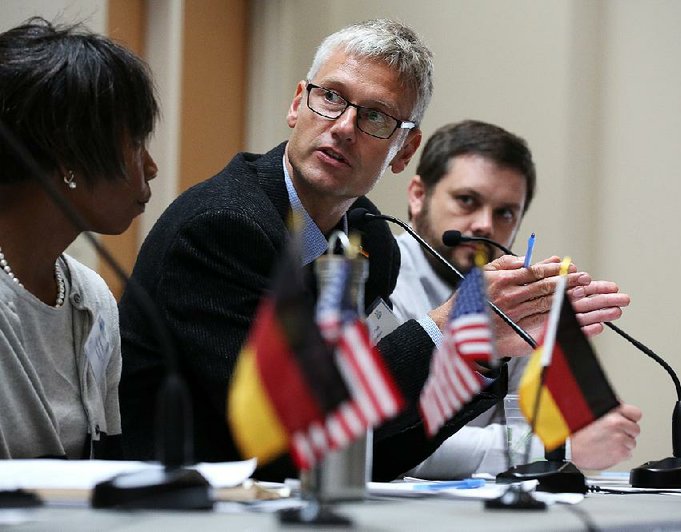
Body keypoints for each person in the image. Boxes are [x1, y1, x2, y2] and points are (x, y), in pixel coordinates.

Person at [118, 19, 616, 481]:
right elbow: (289, 431)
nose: (343, 126)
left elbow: (372, 442)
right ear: (297, 104)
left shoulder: (369, 238)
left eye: (376, 116)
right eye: (331, 97)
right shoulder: (223, 227)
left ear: (404, 150)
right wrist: (446, 327)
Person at [391, 120, 642, 478]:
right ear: (418, 196)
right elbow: (388, 442)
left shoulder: (514, 300)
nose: (484, 226)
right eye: (466, 200)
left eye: (505, 212)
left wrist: (590, 429)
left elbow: (523, 423)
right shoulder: (377, 280)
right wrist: (558, 447)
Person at [0, 18, 159, 459]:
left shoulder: (92, 296)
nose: (150, 167)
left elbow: (101, 464)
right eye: (136, 143)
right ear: (69, 155)